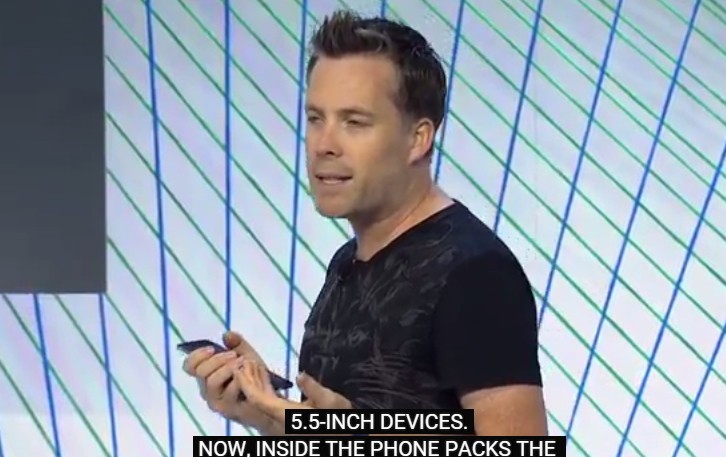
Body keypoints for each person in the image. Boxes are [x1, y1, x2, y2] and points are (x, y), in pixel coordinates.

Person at [183, 9, 547, 436]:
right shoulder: (347, 262)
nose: (324, 145)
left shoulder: (475, 274)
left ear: (418, 139)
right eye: (316, 119)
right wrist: (263, 412)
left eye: (354, 122)